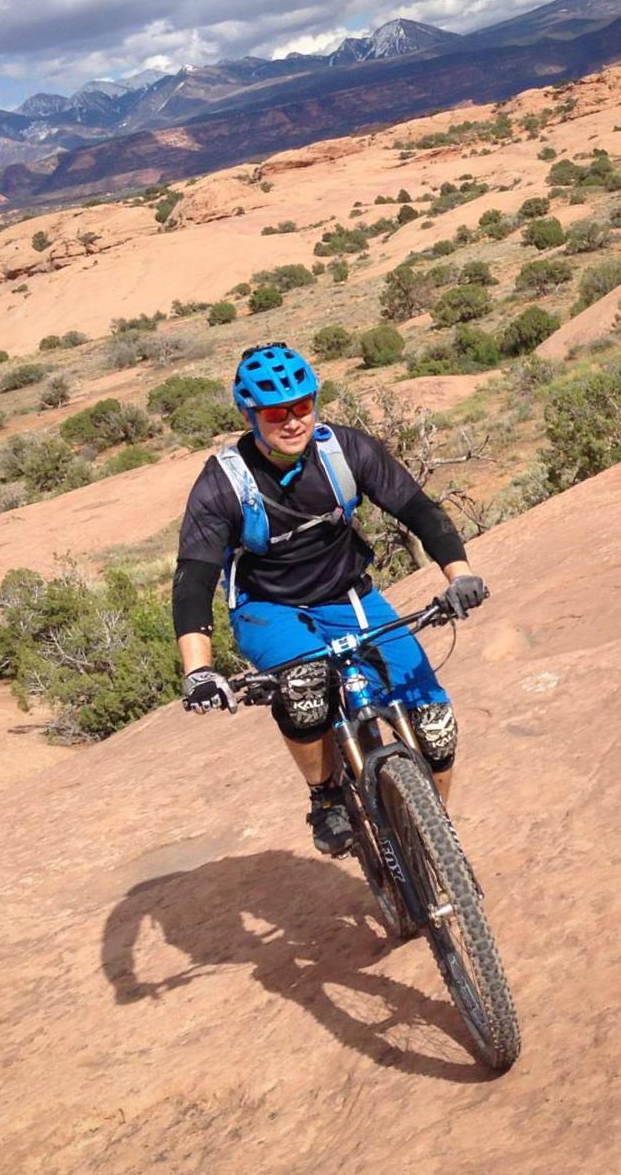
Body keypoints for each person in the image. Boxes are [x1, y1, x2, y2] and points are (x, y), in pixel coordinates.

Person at [172, 342, 487, 856]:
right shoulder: (223, 484)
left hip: (348, 596)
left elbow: (419, 511)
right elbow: (194, 578)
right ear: (250, 414)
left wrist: (461, 576)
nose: (293, 421)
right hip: (268, 607)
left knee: (435, 724)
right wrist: (198, 671)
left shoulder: (345, 451)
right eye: (277, 412)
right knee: (304, 687)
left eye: (303, 406)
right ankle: (326, 795)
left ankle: (435, 841)